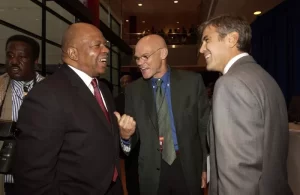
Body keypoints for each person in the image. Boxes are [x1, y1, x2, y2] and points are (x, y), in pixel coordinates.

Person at [13, 23, 130, 195]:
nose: (106, 50)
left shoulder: (102, 89)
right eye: (97, 45)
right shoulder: (46, 95)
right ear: (73, 53)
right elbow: (33, 175)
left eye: (105, 45)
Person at [198, 15, 293, 195]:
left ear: (232, 39)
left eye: (206, 40)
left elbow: (238, 171)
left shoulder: (230, 83)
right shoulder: (265, 78)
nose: (202, 49)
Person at [117, 34, 210, 195]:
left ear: (163, 54)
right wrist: (125, 136)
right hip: (152, 170)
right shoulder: (133, 91)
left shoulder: (192, 82)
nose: (140, 63)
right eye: (137, 58)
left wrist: (204, 167)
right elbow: (133, 137)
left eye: (145, 57)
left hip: (187, 165)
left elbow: (203, 128)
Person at [0, 35, 44, 195]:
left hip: (42, 179)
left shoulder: (51, 90)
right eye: (10, 56)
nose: (13, 61)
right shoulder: (0, 87)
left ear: (35, 61)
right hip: (7, 180)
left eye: (22, 57)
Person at [115, 75, 140, 195]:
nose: (125, 85)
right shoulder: (116, 99)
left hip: (139, 140)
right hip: (125, 139)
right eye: (123, 83)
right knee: (130, 171)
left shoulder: (139, 97)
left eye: (127, 82)